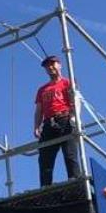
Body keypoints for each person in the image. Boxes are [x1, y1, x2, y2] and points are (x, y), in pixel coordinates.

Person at [33, 55, 81, 186]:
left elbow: (76, 100)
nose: (50, 67)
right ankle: (45, 187)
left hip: (65, 119)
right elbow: (39, 110)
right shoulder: (42, 90)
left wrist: (74, 118)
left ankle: (75, 181)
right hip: (49, 123)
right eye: (47, 66)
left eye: (52, 64)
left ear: (59, 65)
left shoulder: (67, 82)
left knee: (70, 154)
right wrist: (36, 126)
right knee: (45, 158)